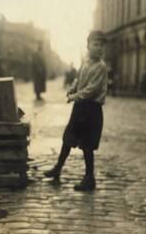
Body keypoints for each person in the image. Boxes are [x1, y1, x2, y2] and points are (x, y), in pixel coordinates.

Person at [44, 31, 107, 191]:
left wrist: (75, 96)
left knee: (87, 145)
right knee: (68, 138)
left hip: (92, 109)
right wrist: (72, 89)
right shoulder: (85, 63)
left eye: (101, 46)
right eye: (95, 44)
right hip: (80, 108)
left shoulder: (101, 67)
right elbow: (78, 80)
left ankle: (89, 178)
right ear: (88, 46)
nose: (99, 48)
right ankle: (58, 168)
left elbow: (92, 89)